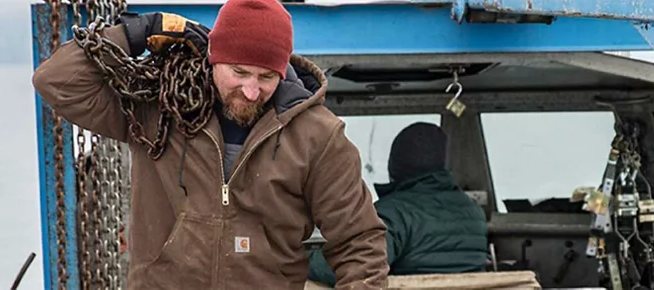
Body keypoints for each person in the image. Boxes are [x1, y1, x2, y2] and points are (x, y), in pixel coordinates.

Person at [31, 0, 390, 288]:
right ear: (213, 58)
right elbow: (55, 81)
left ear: (283, 72)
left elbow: (359, 243)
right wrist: (140, 32)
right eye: (239, 73)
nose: (252, 91)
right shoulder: (159, 110)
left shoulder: (319, 136)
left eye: (267, 77)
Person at [307, 122, 489, 286]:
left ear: (396, 164)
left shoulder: (394, 213)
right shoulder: (473, 211)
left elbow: (353, 268)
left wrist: (302, 261)